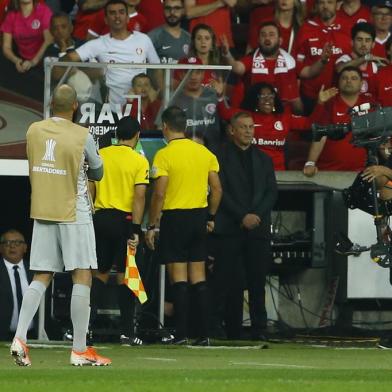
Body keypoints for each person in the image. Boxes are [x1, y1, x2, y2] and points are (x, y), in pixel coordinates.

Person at [10, 84, 110, 367]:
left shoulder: (33, 130)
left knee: (41, 275)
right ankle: (79, 349)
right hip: (73, 209)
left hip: (43, 208)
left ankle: (19, 339)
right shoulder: (82, 135)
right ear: (75, 106)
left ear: (52, 104)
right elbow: (99, 172)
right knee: (82, 275)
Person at [145, 106, 222, 345]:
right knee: (198, 277)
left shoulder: (164, 155)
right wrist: (210, 216)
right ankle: (204, 334)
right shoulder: (204, 153)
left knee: (178, 278)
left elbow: (159, 193)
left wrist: (152, 224)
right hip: (199, 217)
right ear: (185, 127)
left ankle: (181, 333)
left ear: (165, 127)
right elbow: (217, 189)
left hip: (175, 217)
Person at [210, 111, 278, 340]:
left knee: (258, 281)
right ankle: (220, 328)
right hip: (229, 228)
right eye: (243, 127)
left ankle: (259, 328)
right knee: (224, 281)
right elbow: (221, 192)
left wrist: (255, 216)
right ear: (232, 130)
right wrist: (242, 216)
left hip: (257, 230)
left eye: (251, 127)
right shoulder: (219, 157)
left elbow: (271, 192)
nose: (248, 131)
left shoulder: (264, 159)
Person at [90, 116, 149, 346]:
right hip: (124, 221)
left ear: (116, 135)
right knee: (127, 276)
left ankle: (86, 329)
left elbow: (90, 188)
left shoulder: (102, 155)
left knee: (99, 274)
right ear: (137, 136)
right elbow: (140, 196)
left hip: (100, 218)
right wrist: (135, 228)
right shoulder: (139, 161)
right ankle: (127, 332)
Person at [65, 0, 160, 111]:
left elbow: (157, 68)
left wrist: (157, 91)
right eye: (112, 13)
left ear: (128, 17)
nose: (117, 16)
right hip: (112, 110)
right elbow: (70, 58)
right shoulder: (99, 43)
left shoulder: (143, 40)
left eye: (121, 12)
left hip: (139, 108)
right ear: (106, 20)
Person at [213, 80, 313, 170]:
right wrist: (220, 97)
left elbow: (309, 123)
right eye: (262, 96)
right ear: (255, 100)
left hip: (278, 172)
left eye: (271, 96)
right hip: (253, 170)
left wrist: (321, 104)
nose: (267, 100)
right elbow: (225, 113)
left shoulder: (284, 118)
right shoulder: (247, 117)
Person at [303, 66, 375, 175]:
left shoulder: (370, 104)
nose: (349, 81)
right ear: (338, 82)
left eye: (354, 78)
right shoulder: (329, 103)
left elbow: (379, 135)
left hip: (362, 172)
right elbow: (320, 135)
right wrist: (310, 163)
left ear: (361, 84)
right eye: (344, 78)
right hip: (329, 171)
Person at [222, 21, 303, 114]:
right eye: (263, 35)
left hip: (281, 114)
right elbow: (237, 68)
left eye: (271, 35)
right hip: (254, 112)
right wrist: (227, 54)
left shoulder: (290, 63)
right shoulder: (251, 59)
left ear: (280, 41)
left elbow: (295, 96)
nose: (267, 38)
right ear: (258, 40)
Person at [295, 0, 352, 114]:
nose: (325, 6)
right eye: (321, 3)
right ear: (316, 6)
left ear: (337, 5)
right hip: (311, 97)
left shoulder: (348, 27)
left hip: (341, 96)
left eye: (330, 2)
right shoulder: (306, 28)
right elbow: (298, 70)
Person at [171, 57, 222, 152]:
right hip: (184, 153)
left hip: (214, 154)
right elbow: (161, 127)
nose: (193, 77)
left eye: (197, 72)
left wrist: (221, 97)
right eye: (188, 72)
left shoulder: (214, 94)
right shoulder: (173, 99)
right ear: (181, 75)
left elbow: (227, 118)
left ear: (203, 74)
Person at [0, 229, 34, 341]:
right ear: (1, 248)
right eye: (7, 243)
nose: (12, 246)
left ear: (25, 248)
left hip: (33, 337)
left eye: (17, 243)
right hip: (2, 337)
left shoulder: (36, 272)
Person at [335, 22, 387, 96]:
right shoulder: (344, 59)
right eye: (359, 40)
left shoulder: (374, 66)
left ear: (373, 44)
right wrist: (366, 58)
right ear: (352, 42)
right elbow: (341, 69)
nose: (363, 44)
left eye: (367, 40)